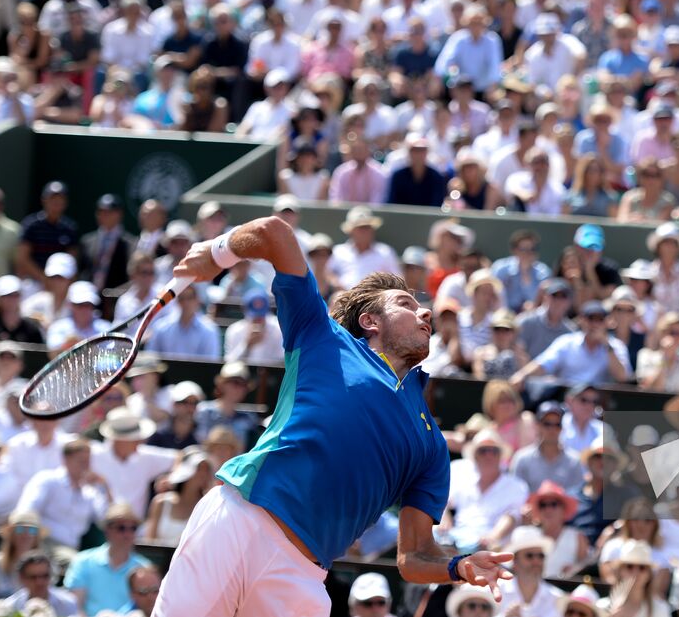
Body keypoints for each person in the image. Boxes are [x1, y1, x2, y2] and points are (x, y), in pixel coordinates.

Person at [156, 215, 512, 614]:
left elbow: (413, 556)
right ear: (370, 321)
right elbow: (275, 233)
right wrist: (217, 253)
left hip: (302, 577)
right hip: (239, 521)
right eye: (407, 305)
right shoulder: (321, 335)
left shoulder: (431, 444)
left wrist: (458, 566)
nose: (425, 313)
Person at [0, 550, 81, 617]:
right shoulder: (11, 606)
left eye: (45, 576)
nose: (40, 582)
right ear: (21, 578)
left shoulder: (67, 602)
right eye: (33, 577)